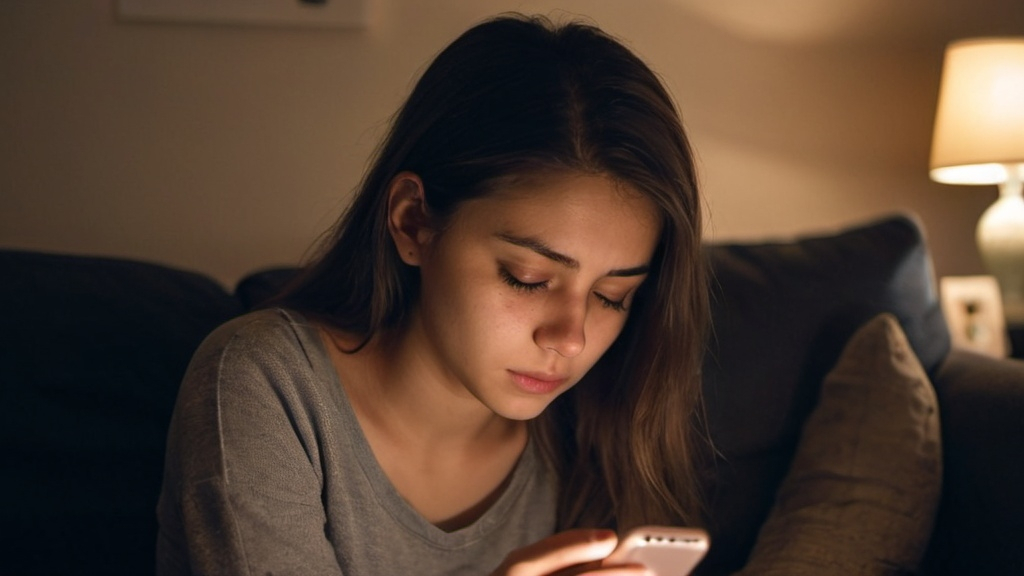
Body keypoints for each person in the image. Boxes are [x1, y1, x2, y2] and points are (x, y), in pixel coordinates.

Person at [156, 12, 708, 576]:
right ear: (413, 220)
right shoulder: (265, 385)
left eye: (612, 295)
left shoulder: (595, 430)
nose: (571, 339)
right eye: (529, 277)